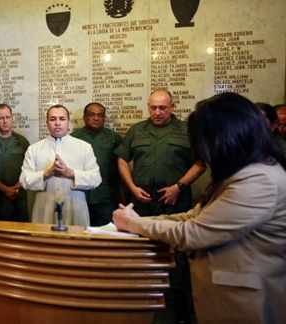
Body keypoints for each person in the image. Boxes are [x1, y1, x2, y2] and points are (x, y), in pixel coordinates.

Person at [113, 92, 286, 324]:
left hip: (246, 304)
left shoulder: (259, 179)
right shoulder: (240, 171)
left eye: (205, 141)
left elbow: (194, 233)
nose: (204, 152)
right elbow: (195, 215)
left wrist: (131, 223)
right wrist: (137, 219)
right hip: (227, 300)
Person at [114, 89, 205, 323]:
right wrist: (132, 187)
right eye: (153, 107)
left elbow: (201, 162)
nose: (157, 112)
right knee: (143, 249)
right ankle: (144, 302)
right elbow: (122, 158)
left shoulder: (186, 130)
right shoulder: (137, 130)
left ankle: (181, 310)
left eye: (162, 108)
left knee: (179, 254)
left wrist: (179, 187)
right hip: (143, 200)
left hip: (175, 198)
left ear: (172, 107)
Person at [20, 104, 101, 226]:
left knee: (75, 243)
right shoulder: (34, 149)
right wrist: (45, 174)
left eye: (62, 119)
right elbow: (23, 180)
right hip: (44, 206)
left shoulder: (84, 147)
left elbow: (96, 178)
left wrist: (70, 173)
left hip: (76, 206)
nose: (57, 123)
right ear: (47, 123)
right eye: (53, 119)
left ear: (69, 122)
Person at [70, 102, 122, 226]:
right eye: (92, 115)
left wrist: (124, 193)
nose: (96, 118)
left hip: (107, 196)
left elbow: (121, 167)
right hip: (80, 195)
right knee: (79, 232)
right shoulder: (73, 139)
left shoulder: (115, 138)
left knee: (106, 233)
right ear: (84, 117)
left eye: (100, 115)